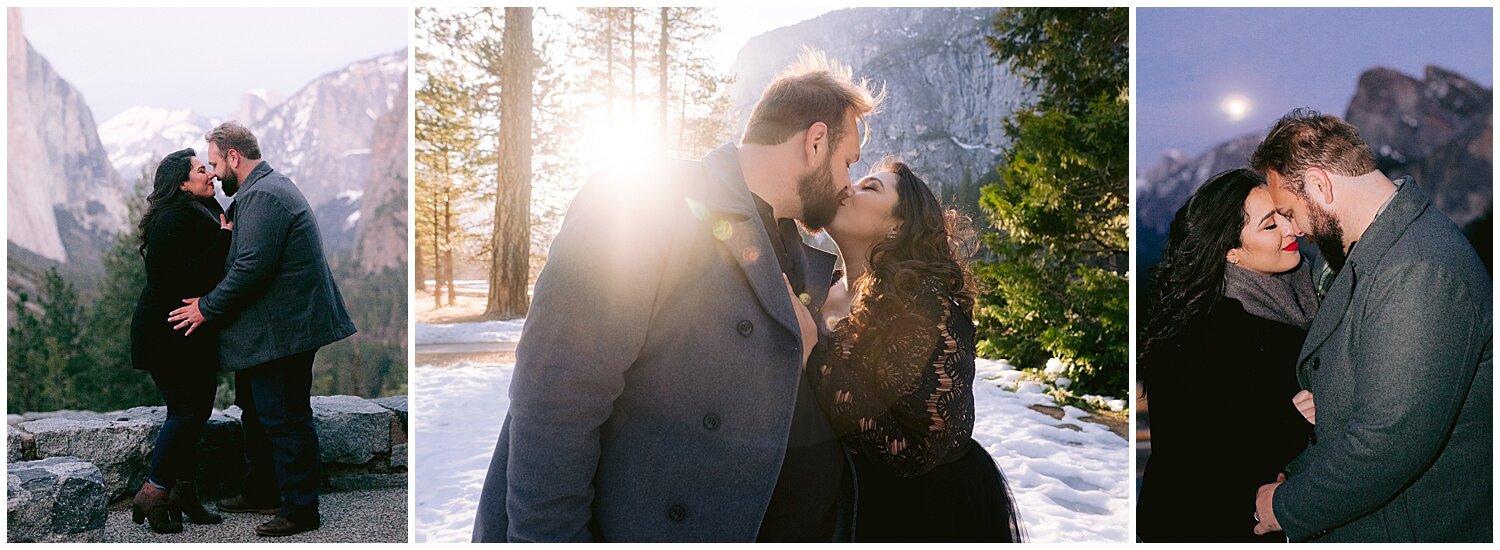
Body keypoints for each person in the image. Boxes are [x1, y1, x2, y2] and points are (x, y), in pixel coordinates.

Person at [471, 51, 882, 542]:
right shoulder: (645, 198)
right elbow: (557, 394)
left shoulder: (794, 251)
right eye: (847, 162)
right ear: (815, 142)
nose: (847, 185)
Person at [1249, 109, 1491, 542]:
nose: (1293, 227)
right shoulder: (1377, 250)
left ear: (1321, 185)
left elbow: (1388, 442)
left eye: (1289, 210)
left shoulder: (1416, 268)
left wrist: (1284, 508)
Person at [804, 160, 1023, 542]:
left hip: (926, 515)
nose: (848, 189)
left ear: (898, 226)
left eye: (870, 187)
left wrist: (815, 359)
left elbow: (916, 451)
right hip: (843, 505)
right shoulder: (823, 292)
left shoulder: (927, 307)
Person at [167, 122, 357, 537]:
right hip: (269, 331)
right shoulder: (257, 193)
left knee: (284, 417)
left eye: (215, 163)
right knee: (255, 410)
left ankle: (300, 510)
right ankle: (262, 491)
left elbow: (251, 267)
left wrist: (205, 308)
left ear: (234, 157)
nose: (213, 174)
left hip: (285, 332)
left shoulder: (266, 196)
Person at [1135, 168, 1316, 542]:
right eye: (1270, 226)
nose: (1291, 230)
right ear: (1231, 252)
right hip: (1205, 527)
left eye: (1284, 215)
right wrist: (1292, 422)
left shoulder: (1293, 298)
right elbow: (1192, 458)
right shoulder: (1205, 332)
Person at [128, 148, 232, 534]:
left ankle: (181, 494)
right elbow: (174, 278)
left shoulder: (200, 210)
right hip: (167, 332)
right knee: (187, 413)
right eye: (201, 170)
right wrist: (223, 240)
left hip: (189, 331)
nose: (211, 175)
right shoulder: (171, 219)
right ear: (182, 184)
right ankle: (154, 491)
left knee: (194, 412)